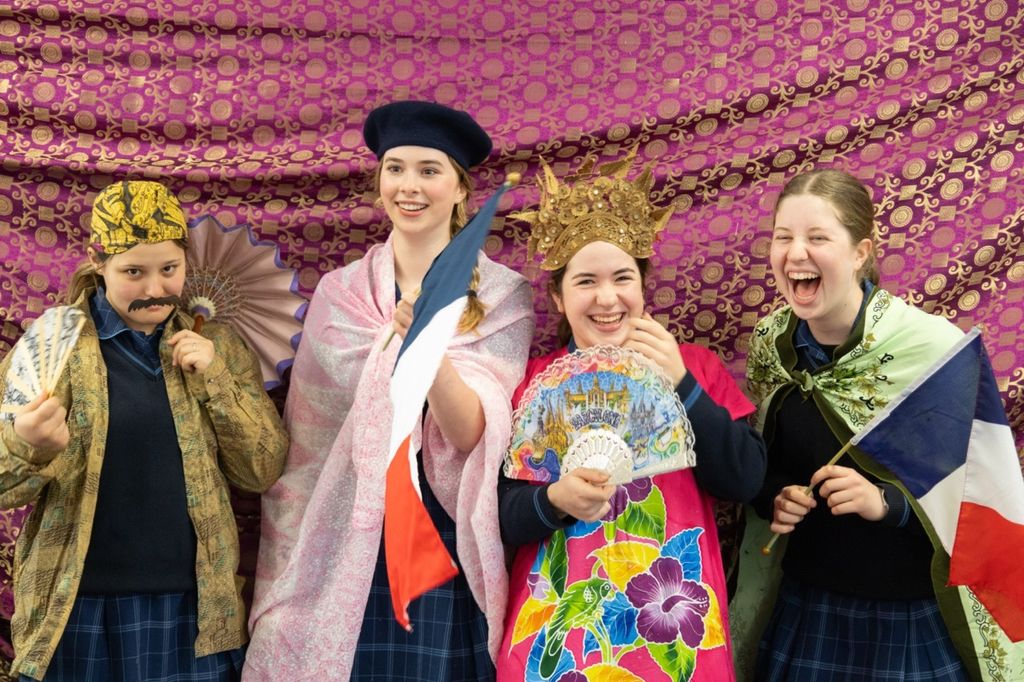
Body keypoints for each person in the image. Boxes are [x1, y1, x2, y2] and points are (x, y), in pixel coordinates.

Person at [244, 101, 534, 681]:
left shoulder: (503, 296)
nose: (409, 186)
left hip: (437, 535)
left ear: (460, 189)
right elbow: (308, 444)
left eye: (430, 170)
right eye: (395, 169)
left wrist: (428, 351)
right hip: (341, 528)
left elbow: (472, 435)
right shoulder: (341, 293)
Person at [0, 180, 289, 681]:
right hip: (74, 611)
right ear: (98, 262)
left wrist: (217, 379)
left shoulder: (217, 344)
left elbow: (261, 469)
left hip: (194, 612)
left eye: (169, 269)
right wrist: (29, 445)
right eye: (134, 272)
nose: (155, 289)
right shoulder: (54, 346)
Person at [496, 152, 766, 681]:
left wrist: (681, 383)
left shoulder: (696, 368)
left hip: (677, 629)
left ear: (643, 286)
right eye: (585, 282)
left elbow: (745, 480)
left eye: (622, 278)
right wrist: (553, 501)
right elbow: (498, 518)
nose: (607, 298)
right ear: (557, 296)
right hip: (558, 636)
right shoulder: (531, 385)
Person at [743, 168, 983, 680]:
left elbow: (979, 492)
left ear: (860, 252)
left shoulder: (933, 350)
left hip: (907, 617)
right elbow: (761, 461)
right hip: (807, 607)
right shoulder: (770, 345)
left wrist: (887, 503)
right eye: (783, 237)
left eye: (818, 238)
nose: (796, 253)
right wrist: (775, 497)